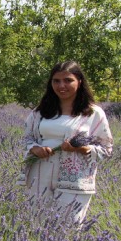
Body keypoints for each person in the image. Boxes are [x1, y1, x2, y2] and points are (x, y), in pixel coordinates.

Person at [20, 61, 113, 225]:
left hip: (75, 179)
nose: (61, 85)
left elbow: (106, 148)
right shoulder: (40, 112)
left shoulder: (93, 113)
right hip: (40, 174)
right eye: (56, 81)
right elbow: (27, 138)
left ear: (79, 81)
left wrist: (80, 149)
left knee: (69, 228)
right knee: (36, 226)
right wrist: (35, 149)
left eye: (68, 80)